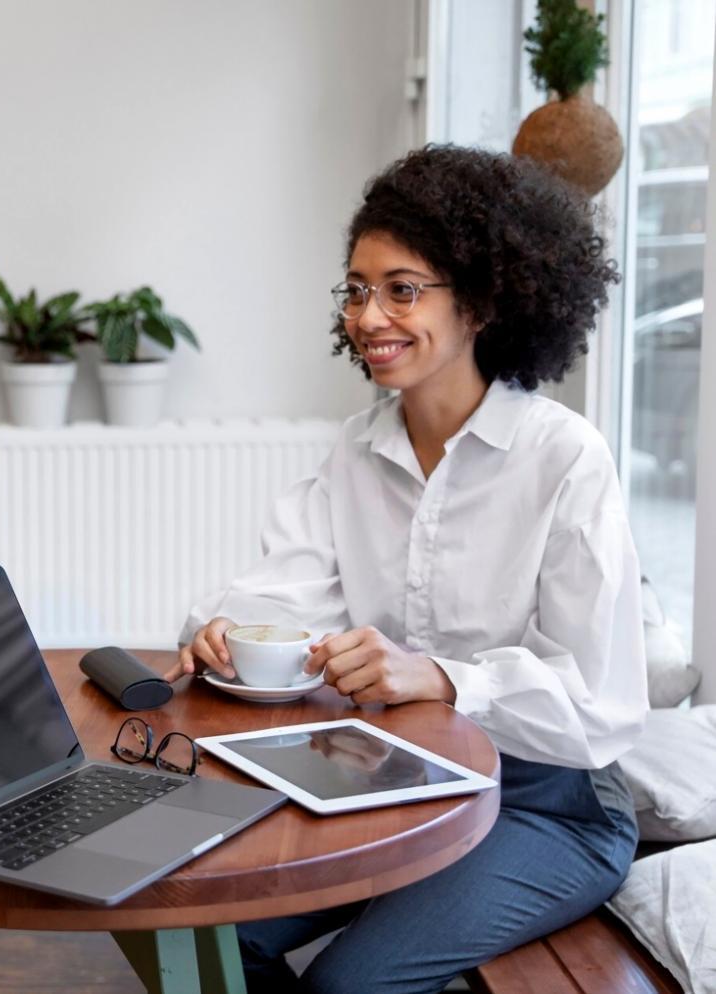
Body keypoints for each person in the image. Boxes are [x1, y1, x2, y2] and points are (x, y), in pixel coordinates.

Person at [163, 145, 647, 993]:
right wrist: (226, 630)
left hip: (549, 803)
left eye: (402, 288)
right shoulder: (357, 449)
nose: (369, 315)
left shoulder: (564, 458)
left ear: (484, 302)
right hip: (397, 774)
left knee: (351, 985)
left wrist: (443, 679)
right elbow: (280, 589)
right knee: (207, 936)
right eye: (358, 289)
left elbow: (600, 708)